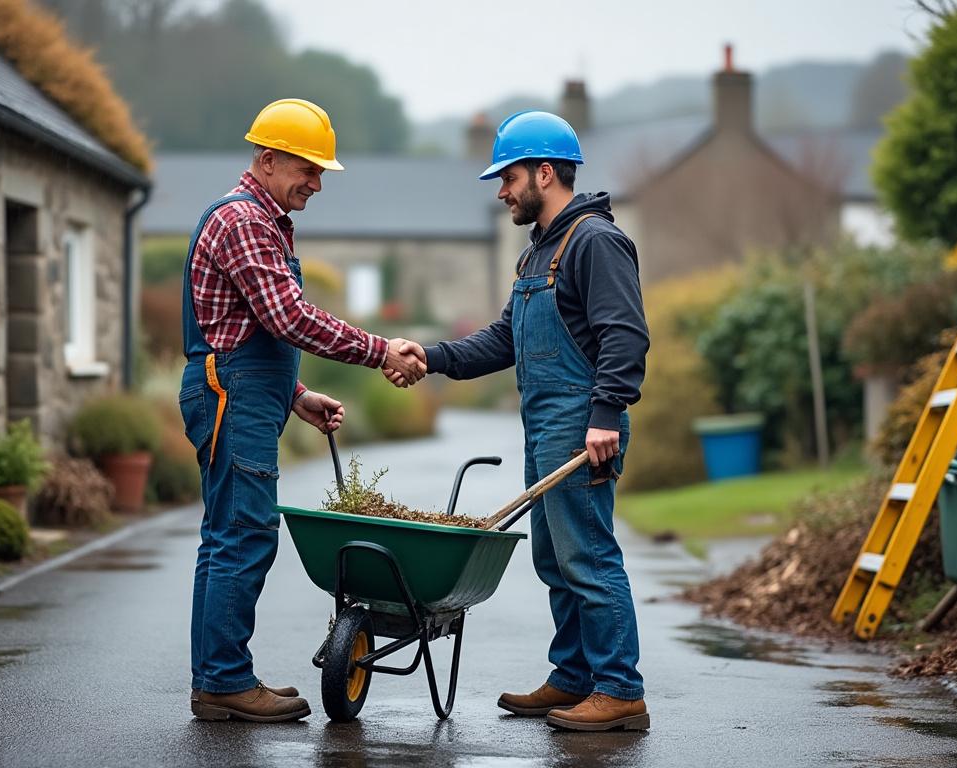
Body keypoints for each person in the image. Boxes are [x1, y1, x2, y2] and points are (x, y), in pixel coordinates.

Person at [387, 110, 650, 732]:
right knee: (554, 560)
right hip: (546, 425)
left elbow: (626, 335)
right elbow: (505, 338)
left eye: (507, 179)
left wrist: (608, 411)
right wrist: (435, 358)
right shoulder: (539, 253)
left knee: (588, 557)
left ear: (545, 172)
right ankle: (573, 677)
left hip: (585, 425)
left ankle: (620, 689)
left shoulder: (594, 241)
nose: (502, 191)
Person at [179, 98, 425, 723]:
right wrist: (380, 351)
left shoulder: (266, 221)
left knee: (228, 533)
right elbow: (286, 318)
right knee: (244, 534)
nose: (317, 184)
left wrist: (297, 396)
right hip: (231, 393)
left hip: (244, 391)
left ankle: (219, 678)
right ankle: (226, 682)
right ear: (266, 159)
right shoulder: (245, 223)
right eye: (309, 169)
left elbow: (246, 327)